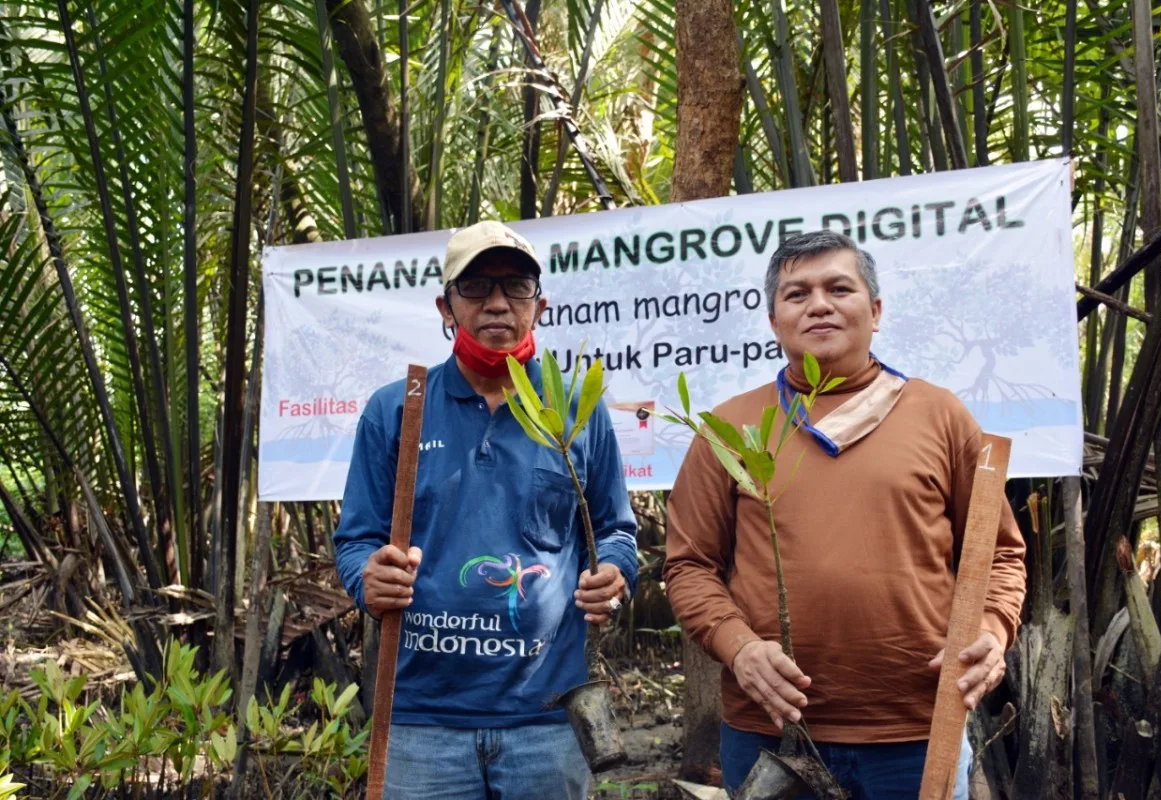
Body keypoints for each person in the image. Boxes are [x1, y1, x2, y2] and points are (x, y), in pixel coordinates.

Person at [664, 230, 1027, 799]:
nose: (819, 305)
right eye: (797, 294)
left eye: (839, 289)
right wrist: (740, 647)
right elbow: (689, 565)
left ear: (875, 311)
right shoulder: (730, 427)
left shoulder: (941, 415)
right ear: (774, 321)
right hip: (770, 728)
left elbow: (1000, 552)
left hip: (915, 728)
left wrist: (991, 629)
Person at [334, 220, 638, 799]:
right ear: (445, 307)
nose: (497, 303)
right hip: (422, 719)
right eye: (475, 287)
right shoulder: (397, 409)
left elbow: (615, 530)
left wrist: (614, 574)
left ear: (539, 306)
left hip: (548, 716)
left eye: (516, 286)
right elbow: (356, 539)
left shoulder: (577, 408)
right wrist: (366, 579)